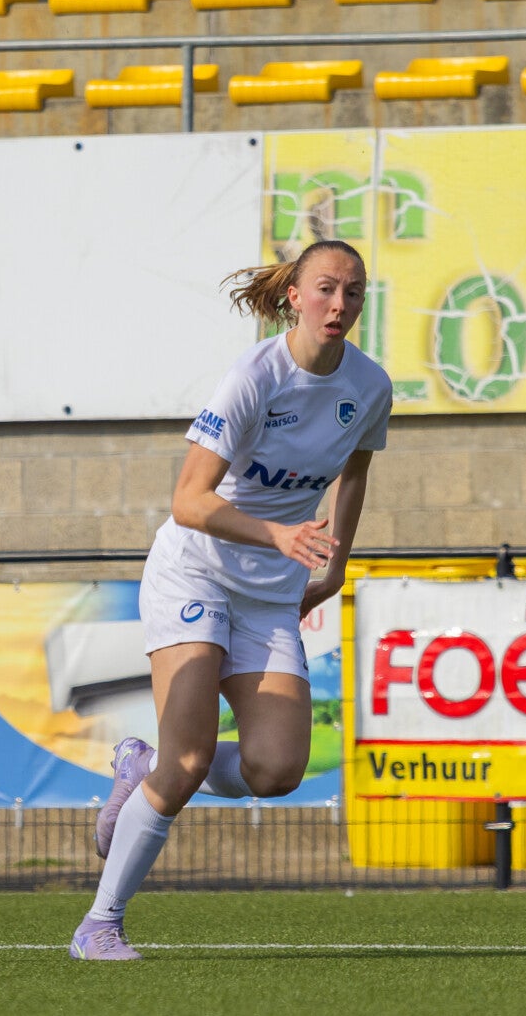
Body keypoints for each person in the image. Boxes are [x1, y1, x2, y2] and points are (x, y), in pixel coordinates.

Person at [71, 238, 393, 961]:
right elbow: (188, 500)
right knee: (185, 767)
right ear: (294, 297)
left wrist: (335, 559)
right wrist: (276, 535)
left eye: (353, 293)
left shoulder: (369, 387)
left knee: (276, 770)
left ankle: (140, 766)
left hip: (269, 596)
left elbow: (356, 472)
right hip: (196, 573)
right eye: (325, 289)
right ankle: (100, 924)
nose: (339, 305)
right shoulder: (253, 377)